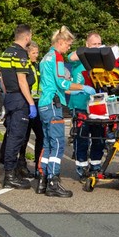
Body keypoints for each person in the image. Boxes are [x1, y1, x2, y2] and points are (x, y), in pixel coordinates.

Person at [38, 26, 96, 197]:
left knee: (48, 143)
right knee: (57, 144)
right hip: (53, 103)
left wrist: (75, 90)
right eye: (68, 45)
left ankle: (44, 179)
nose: (68, 48)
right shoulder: (56, 57)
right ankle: (54, 182)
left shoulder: (45, 57)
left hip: (44, 103)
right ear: (60, 42)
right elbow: (62, 84)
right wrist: (83, 87)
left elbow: (55, 84)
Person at [0, 24, 37, 189]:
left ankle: (11, 172)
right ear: (27, 37)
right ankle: (10, 176)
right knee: (16, 137)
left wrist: (7, 96)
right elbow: (22, 80)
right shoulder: (21, 54)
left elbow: (2, 79)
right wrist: (30, 103)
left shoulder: (6, 52)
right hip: (20, 99)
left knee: (12, 135)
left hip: (10, 97)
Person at [68, 32, 105, 182]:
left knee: (99, 138)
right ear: (87, 44)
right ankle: (81, 168)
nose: (97, 47)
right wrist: (90, 51)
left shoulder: (101, 60)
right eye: (93, 44)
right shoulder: (80, 58)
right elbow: (70, 57)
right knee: (82, 138)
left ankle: (95, 166)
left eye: (99, 44)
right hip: (80, 104)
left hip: (97, 105)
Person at [20, 42, 44, 178]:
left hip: (37, 103)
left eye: (37, 53)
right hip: (27, 104)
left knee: (41, 135)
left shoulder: (36, 66)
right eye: (34, 53)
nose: (36, 55)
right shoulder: (25, 66)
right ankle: (21, 164)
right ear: (27, 53)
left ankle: (38, 166)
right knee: (24, 137)